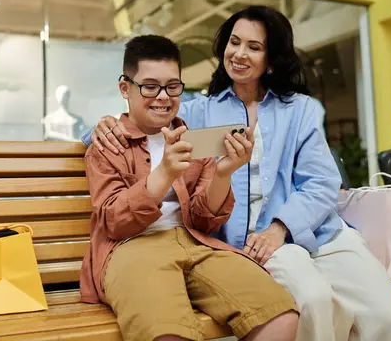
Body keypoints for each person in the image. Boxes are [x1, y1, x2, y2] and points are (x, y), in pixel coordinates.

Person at [82, 6, 391, 341]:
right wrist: (102, 125)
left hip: (319, 233)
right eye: (234, 42)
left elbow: (322, 182)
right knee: (314, 303)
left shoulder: (301, 110)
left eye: (254, 46)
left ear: (271, 59)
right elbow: (146, 116)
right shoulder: (200, 111)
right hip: (254, 245)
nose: (239, 53)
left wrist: (281, 227)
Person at [80, 34, 299, 341]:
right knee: (168, 332)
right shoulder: (108, 144)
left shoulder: (193, 139)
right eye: (150, 86)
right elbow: (114, 223)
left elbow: (203, 221)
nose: (163, 97)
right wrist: (163, 175)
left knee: (279, 316)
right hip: (130, 249)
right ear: (125, 89)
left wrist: (223, 173)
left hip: (196, 243)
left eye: (172, 86)